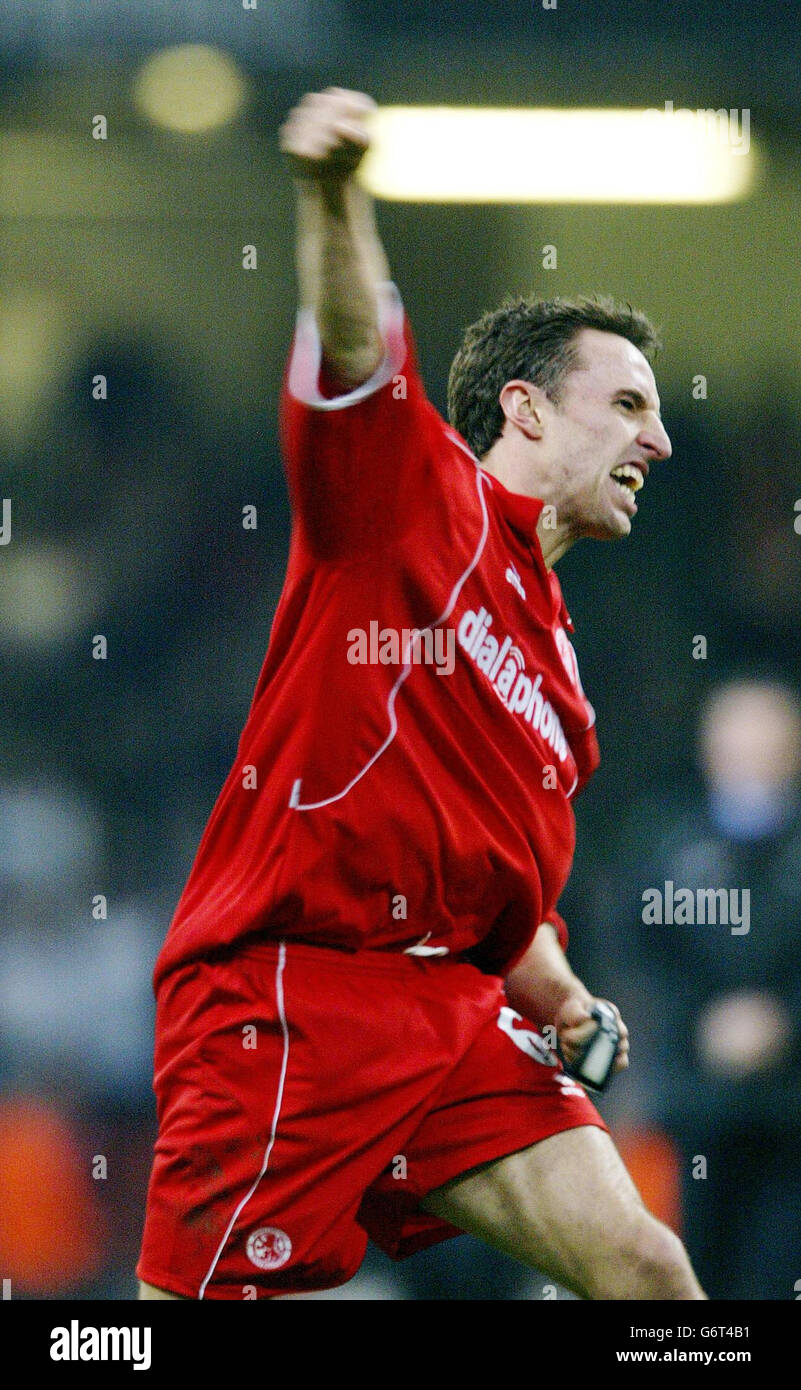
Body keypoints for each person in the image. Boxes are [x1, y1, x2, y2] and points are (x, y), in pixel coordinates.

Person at [137, 87, 704, 1301]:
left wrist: (564, 997)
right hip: (292, 990)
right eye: (630, 405)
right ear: (527, 407)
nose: (659, 443)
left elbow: (504, 904)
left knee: (647, 1268)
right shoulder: (409, 492)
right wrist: (334, 191)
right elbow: (353, 345)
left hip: (447, 1009)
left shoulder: (560, 678)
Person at [599, 678, 801, 1299]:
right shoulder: (666, 841)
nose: (747, 751)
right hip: (695, 1106)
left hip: (792, 1109)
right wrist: (699, 1024)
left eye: (764, 733)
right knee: (693, 1276)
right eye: (733, 733)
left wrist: (785, 1019)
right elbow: (633, 953)